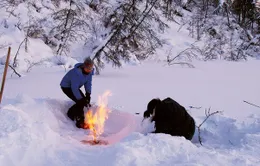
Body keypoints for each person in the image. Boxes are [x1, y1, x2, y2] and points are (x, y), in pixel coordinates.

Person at [60, 57, 95, 129]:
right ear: (84, 67)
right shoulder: (76, 73)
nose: (89, 70)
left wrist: (88, 95)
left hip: (74, 87)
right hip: (66, 87)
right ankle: (80, 122)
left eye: (90, 69)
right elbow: (74, 88)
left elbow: (88, 83)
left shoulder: (89, 73)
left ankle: (71, 113)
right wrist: (80, 99)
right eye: (88, 69)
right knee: (80, 101)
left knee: (83, 100)